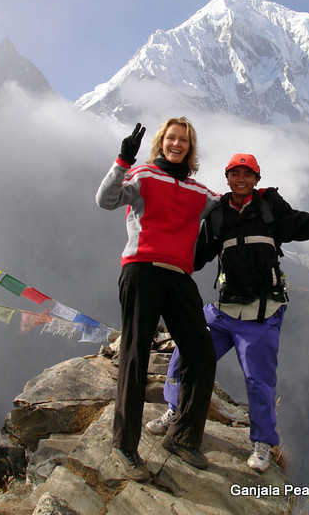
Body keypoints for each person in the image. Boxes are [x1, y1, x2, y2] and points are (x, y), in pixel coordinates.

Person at [146, 153, 309, 473]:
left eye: (247, 174)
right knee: (186, 350)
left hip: (261, 313)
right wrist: (158, 254)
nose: (240, 179)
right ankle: (175, 409)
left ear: (256, 178)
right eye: (234, 174)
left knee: (259, 381)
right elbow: (195, 257)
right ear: (227, 178)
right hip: (225, 311)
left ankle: (263, 442)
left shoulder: (270, 209)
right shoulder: (217, 214)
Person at [95, 117, 219, 481]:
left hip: (179, 277)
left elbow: (227, 205)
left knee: (201, 352)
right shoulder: (145, 176)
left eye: (183, 140)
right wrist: (123, 160)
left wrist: (257, 194)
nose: (176, 144)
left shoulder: (201, 193)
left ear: (190, 147)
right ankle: (124, 445)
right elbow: (106, 201)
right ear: (161, 143)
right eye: (170, 138)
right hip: (142, 270)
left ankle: (182, 437)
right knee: (136, 356)